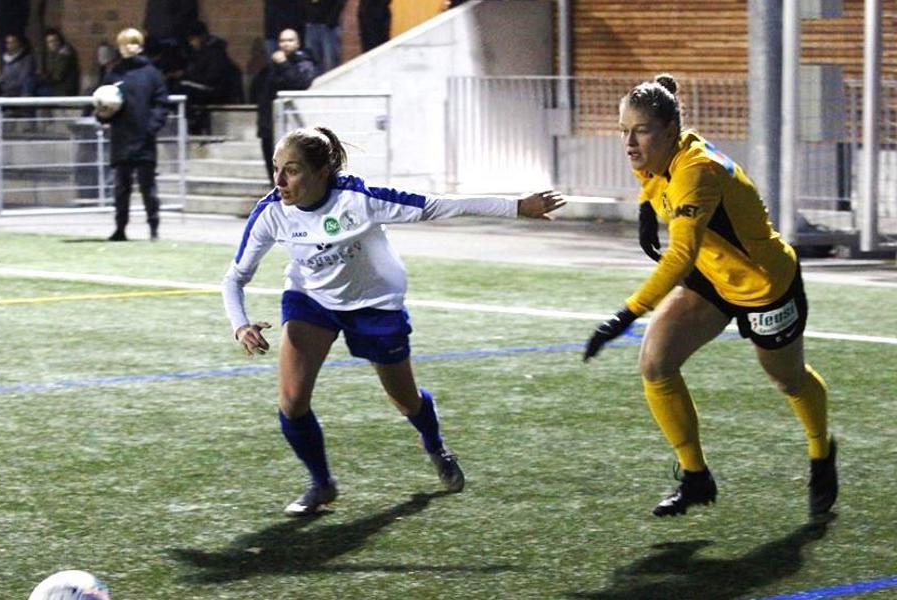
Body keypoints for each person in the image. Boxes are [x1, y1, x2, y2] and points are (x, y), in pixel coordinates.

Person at [221, 126, 566, 516]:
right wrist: (241, 323)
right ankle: (320, 483)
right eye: (276, 168)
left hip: (374, 303)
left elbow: (438, 204)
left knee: (405, 399)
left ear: (321, 173)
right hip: (311, 300)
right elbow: (235, 277)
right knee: (292, 401)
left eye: (292, 170)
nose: (280, 180)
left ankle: (434, 444)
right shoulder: (272, 213)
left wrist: (518, 207)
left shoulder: (360, 200)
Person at [582, 74, 837, 518]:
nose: (628, 142)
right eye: (623, 129)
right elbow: (649, 178)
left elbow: (680, 255)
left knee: (787, 379)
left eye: (639, 130)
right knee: (656, 363)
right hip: (714, 275)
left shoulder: (695, 171)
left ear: (668, 131)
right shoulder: (659, 151)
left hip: (764, 284)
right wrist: (645, 208)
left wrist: (626, 314)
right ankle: (696, 477)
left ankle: (821, 454)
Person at [96, 27, 169, 242]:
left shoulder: (152, 74)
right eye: (125, 43)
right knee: (121, 187)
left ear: (140, 46)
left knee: (148, 187)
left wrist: (151, 127)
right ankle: (120, 228)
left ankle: (153, 226)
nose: (129, 47)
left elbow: (161, 103)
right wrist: (103, 115)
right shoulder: (114, 73)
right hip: (121, 138)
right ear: (119, 47)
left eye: (133, 43)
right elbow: (104, 103)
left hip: (145, 139)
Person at [254, 28, 317, 185]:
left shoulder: (303, 62)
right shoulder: (272, 66)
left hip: (289, 125)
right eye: (282, 41)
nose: (285, 44)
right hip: (269, 122)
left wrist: (283, 64)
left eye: (290, 40)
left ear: (297, 43)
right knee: (272, 166)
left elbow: (300, 83)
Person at [303, 0, 346, 74]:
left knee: (331, 64)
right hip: (310, 23)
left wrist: (331, 19)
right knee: (312, 63)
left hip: (329, 27)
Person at [38, 27, 80, 96]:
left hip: (63, 90)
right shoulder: (51, 54)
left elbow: (57, 76)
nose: (53, 44)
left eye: (55, 41)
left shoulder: (65, 54)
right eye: (50, 42)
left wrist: (43, 78)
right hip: (54, 87)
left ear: (60, 40)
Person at [0, 33, 35, 97]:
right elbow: (4, 77)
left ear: (18, 43)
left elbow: (23, 79)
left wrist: (7, 86)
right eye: (8, 43)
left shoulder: (26, 59)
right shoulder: (6, 59)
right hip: (6, 92)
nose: (10, 45)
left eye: (13, 42)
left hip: (20, 93)